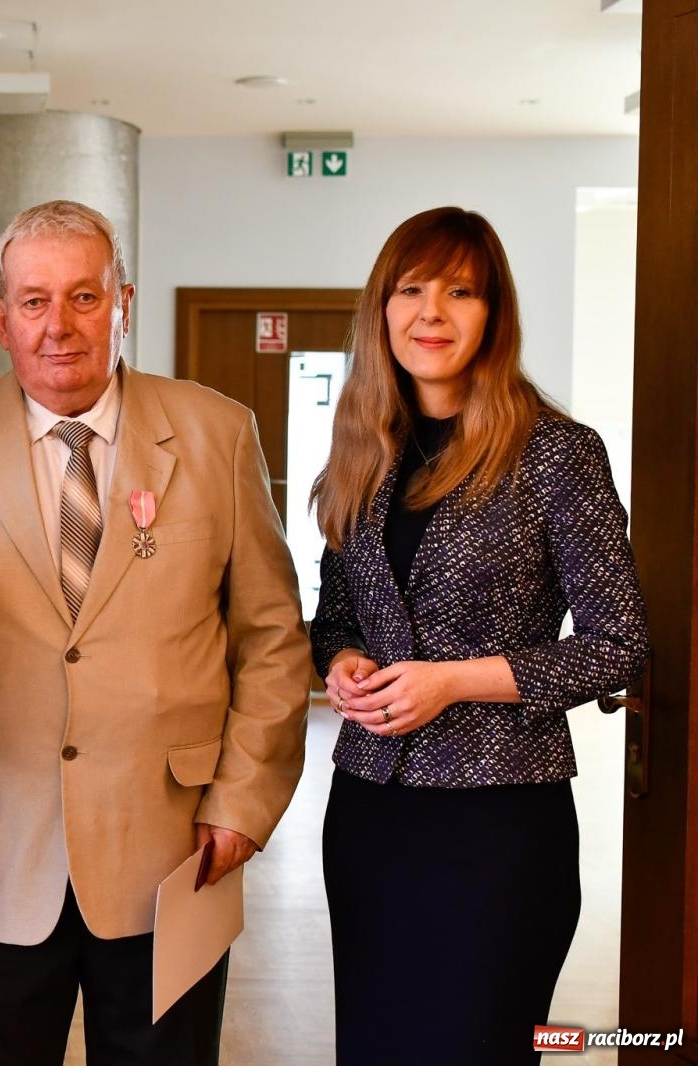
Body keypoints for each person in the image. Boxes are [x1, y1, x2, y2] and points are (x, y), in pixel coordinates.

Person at [0, 200, 311, 1065]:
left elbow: (270, 636)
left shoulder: (216, 432)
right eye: (34, 301)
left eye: (85, 297)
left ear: (125, 302)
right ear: (0, 319)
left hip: (174, 850)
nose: (59, 327)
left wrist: (242, 802)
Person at [310, 206, 649, 1066]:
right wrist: (343, 662)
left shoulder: (557, 453)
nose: (432, 313)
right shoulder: (366, 450)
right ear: (380, 309)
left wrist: (453, 681)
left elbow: (618, 644)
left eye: (460, 291)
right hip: (371, 815)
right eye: (411, 289)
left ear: (494, 314)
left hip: (498, 829)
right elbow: (338, 612)